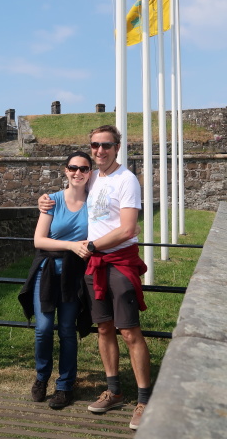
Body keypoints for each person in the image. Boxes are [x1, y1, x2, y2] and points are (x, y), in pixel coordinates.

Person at [39, 125, 151, 430]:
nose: (99, 150)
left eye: (106, 145)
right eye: (95, 145)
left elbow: (129, 229)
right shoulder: (95, 178)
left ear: (117, 147)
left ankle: (143, 400)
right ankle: (114, 390)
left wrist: (91, 246)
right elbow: (71, 190)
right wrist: (45, 201)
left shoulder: (126, 180)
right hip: (95, 265)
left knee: (129, 332)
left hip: (116, 262)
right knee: (104, 329)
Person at [18, 151, 93, 410]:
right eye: (73, 168)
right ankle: (41, 377)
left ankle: (64, 386)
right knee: (43, 328)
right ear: (65, 170)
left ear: (90, 173)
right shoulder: (52, 201)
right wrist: (72, 246)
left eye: (83, 169)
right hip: (48, 272)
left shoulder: (94, 203)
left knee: (67, 331)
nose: (78, 173)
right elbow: (39, 240)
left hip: (74, 275)